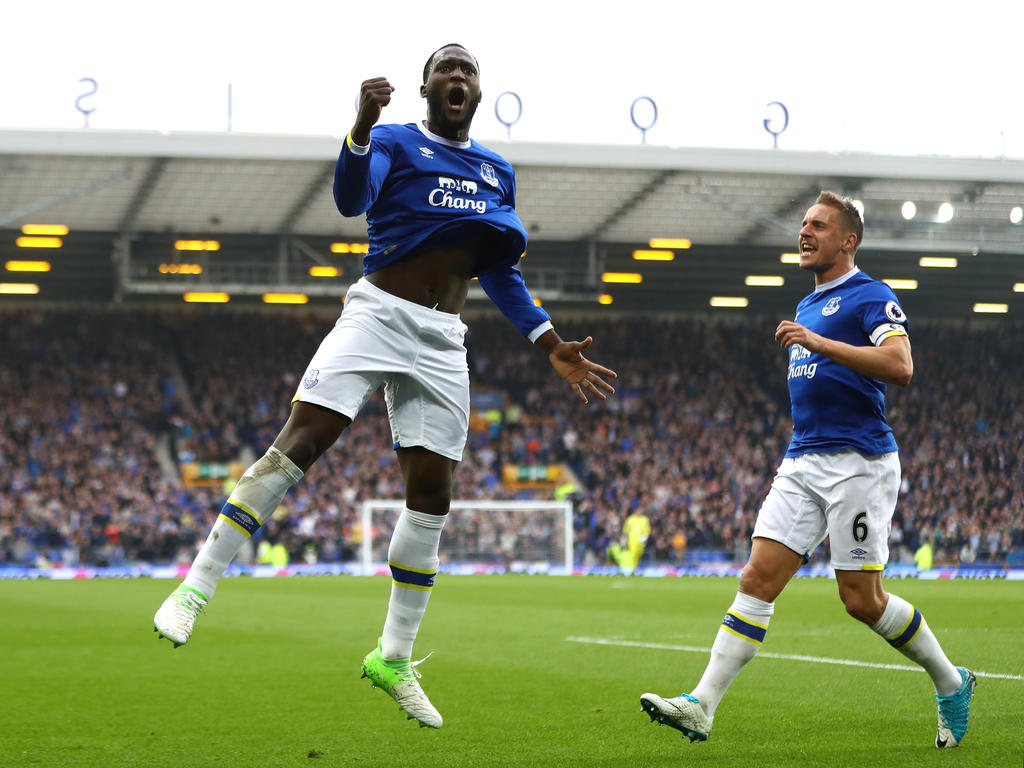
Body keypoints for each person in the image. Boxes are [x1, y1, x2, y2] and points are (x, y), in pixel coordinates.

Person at [154, 43, 617, 729]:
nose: (458, 77)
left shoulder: (496, 170)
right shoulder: (397, 141)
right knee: (299, 446)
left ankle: (393, 658)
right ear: (426, 88)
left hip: (443, 339)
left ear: (477, 92)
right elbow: (349, 199)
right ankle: (196, 587)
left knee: (433, 495)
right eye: (446, 70)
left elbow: (498, 273)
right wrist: (361, 126)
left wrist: (550, 344)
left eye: (469, 71)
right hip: (377, 314)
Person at [640, 192, 975, 749]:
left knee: (861, 601)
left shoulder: (871, 296)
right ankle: (702, 706)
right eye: (802, 223)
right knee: (756, 580)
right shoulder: (806, 304)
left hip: (859, 464)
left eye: (818, 225)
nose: (804, 231)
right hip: (802, 459)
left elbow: (901, 366)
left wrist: (820, 343)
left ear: (848, 240)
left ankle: (950, 681)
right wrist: (814, 339)